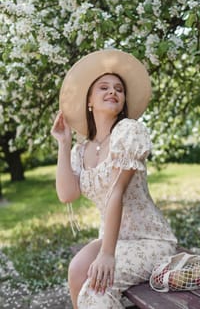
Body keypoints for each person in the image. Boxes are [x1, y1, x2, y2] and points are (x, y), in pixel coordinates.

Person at [51, 49, 177, 309]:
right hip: (114, 238)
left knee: (97, 288)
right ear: (89, 100)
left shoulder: (128, 132)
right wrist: (64, 144)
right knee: (77, 271)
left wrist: (107, 255)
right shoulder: (81, 150)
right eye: (104, 87)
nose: (113, 92)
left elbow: (115, 192)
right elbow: (67, 194)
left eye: (119, 89)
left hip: (148, 240)